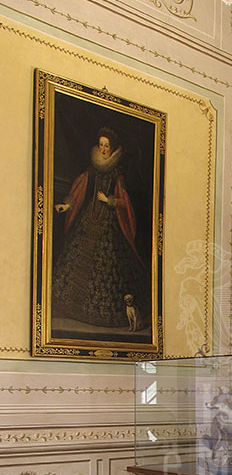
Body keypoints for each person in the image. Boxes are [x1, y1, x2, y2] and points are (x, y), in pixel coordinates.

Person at [53, 127, 148, 330]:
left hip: (109, 225)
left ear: (112, 148)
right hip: (89, 219)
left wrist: (109, 200)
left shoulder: (117, 175)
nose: (103, 149)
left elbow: (125, 203)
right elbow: (79, 189)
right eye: (101, 144)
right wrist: (67, 205)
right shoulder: (93, 169)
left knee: (109, 266)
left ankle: (105, 313)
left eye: (107, 146)